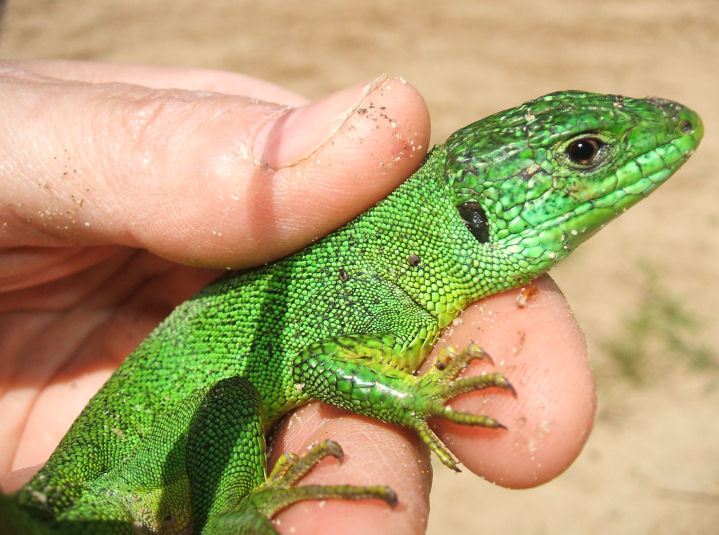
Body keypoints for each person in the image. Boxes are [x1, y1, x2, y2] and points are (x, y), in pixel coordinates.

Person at [0, 60, 595, 534]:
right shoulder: (388, 284)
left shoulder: (400, 264)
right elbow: (323, 365)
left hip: (91, 483)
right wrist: (415, 394)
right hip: (92, 504)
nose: (601, 165)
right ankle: (229, 515)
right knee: (230, 401)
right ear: (478, 214)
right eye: (583, 155)